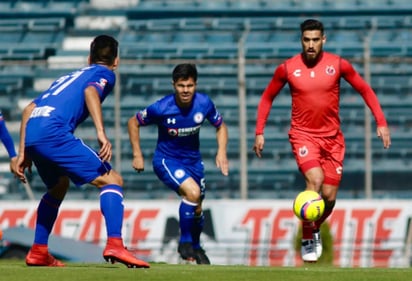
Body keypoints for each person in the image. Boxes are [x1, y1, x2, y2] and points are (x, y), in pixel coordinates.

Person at [253, 19, 391, 263]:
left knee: (328, 197)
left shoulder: (338, 65)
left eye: (315, 39)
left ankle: (314, 225)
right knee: (314, 180)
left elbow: (365, 90)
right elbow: (267, 97)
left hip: (333, 140)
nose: (311, 44)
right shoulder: (288, 68)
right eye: (306, 39)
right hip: (303, 135)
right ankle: (307, 235)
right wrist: (259, 131)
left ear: (323, 40)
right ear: (301, 40)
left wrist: (380, 121)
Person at [14, 35, 150, 268]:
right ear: (116, 61)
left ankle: (38, 250)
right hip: (53, 133)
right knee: (112, 180)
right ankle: (115, 244)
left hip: (35, 131)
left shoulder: (67, 77)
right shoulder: (105, 74)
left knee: (58, 187)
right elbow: (90, 92)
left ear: (89, 58)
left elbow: (29, 109)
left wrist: (23, 152)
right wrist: (101, 132)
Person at [128, 63, 229, 265]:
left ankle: (197, 247)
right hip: (166, 160)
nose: (185, 90)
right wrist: (137, 154)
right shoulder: (162, 107)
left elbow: (221, 126)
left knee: (198, 208)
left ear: (195, 85)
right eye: (181, 85)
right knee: (192, 193)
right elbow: (133, 122)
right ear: (174, 85)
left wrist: (222, 151)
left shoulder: (204, 104)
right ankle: (184, 243)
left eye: (190, 86)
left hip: (193, 162)